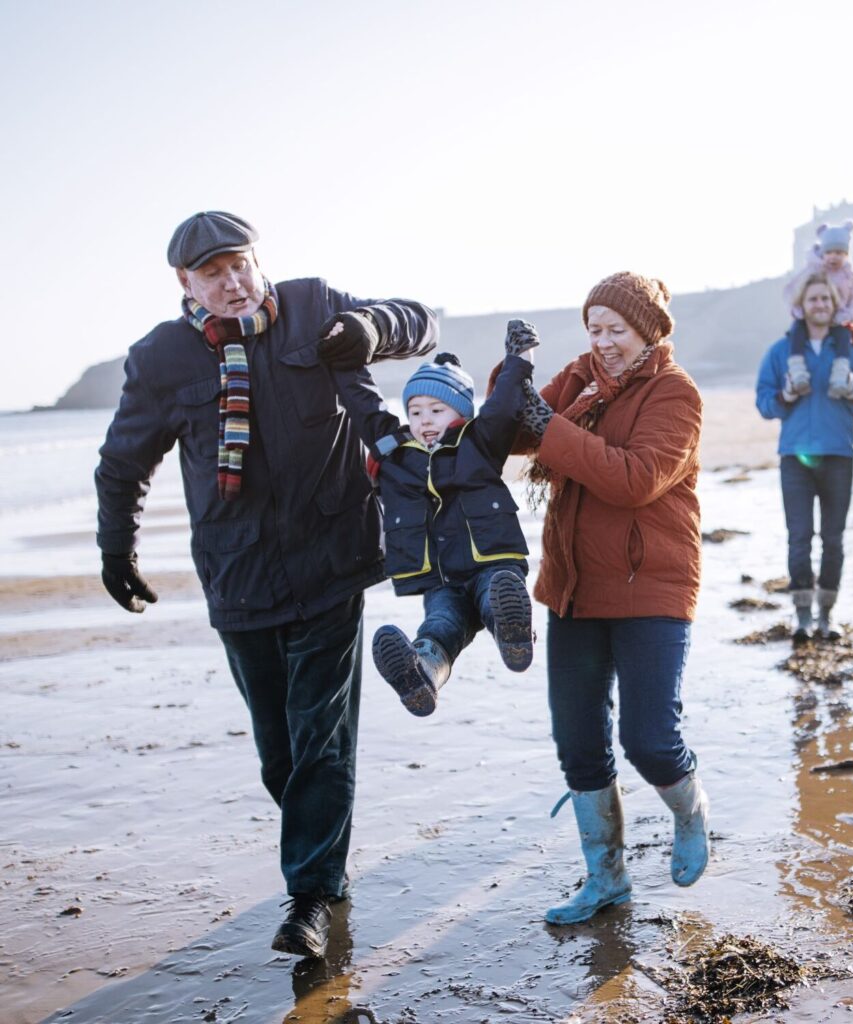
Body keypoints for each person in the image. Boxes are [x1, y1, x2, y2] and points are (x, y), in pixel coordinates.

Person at [95, 211, 437, 959]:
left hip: (332, 561)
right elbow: (123, 463)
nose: (232, 283)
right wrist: (116, 548)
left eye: (239, 265)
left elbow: (420, 322)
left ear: (258, 260)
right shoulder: (161, 359)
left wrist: (371, 328)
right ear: (185, 283)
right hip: (238, 575)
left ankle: (310, 897)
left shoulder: (314, 307)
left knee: (321, 737)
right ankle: (322, 857)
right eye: (212, 273)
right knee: (280, 756)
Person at [510, 271, 710, 926]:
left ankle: (690, 812)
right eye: (594, 328)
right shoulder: (581, 377)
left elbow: (635, 480)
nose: (603, 341)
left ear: (646, 331)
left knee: (650, 740)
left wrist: (548, 426)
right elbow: (512, 429)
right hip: (574, 587)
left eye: (615, 329)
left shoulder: (675, 393)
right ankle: (607, 878)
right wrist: (513, 377)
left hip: (650, 585)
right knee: (578, 742)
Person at [328, 319, 539, 717]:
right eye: (415, 411)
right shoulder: (394, 453)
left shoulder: (479, 442)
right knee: (441, 626)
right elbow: (363, 404)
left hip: (490, 563)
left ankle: (513, 635)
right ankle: (422, 675)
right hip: (441, 578)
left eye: (436, 410)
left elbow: (504, 404)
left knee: (496, 597)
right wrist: (343, 359)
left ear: (459, 413)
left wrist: (520, 357)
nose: (424, 420)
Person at [756, 272, 853, 644]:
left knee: (833, 539)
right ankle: (802, 617)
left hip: (839, 454)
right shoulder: (780, 352)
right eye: (813, 299)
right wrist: (786, 396)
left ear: (835, 304)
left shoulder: (852, 352)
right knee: (799, 538)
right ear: (801, 305)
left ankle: (827, 615)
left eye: (826, 299)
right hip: (795, 457)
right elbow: (764, 402)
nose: (820, 304)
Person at [783, 219, 853, 399]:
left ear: (846, 255)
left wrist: (848, 315)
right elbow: (792, 290)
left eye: (839, 253)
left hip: (838, 320)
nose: (833, 257)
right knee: (797, 333)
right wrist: (799, 312)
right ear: (822, 253)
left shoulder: (849, 275)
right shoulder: (812, 269)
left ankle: (840, 376)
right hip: (809, 320)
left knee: (844, 338)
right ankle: (798, 372)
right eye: (829, 252)